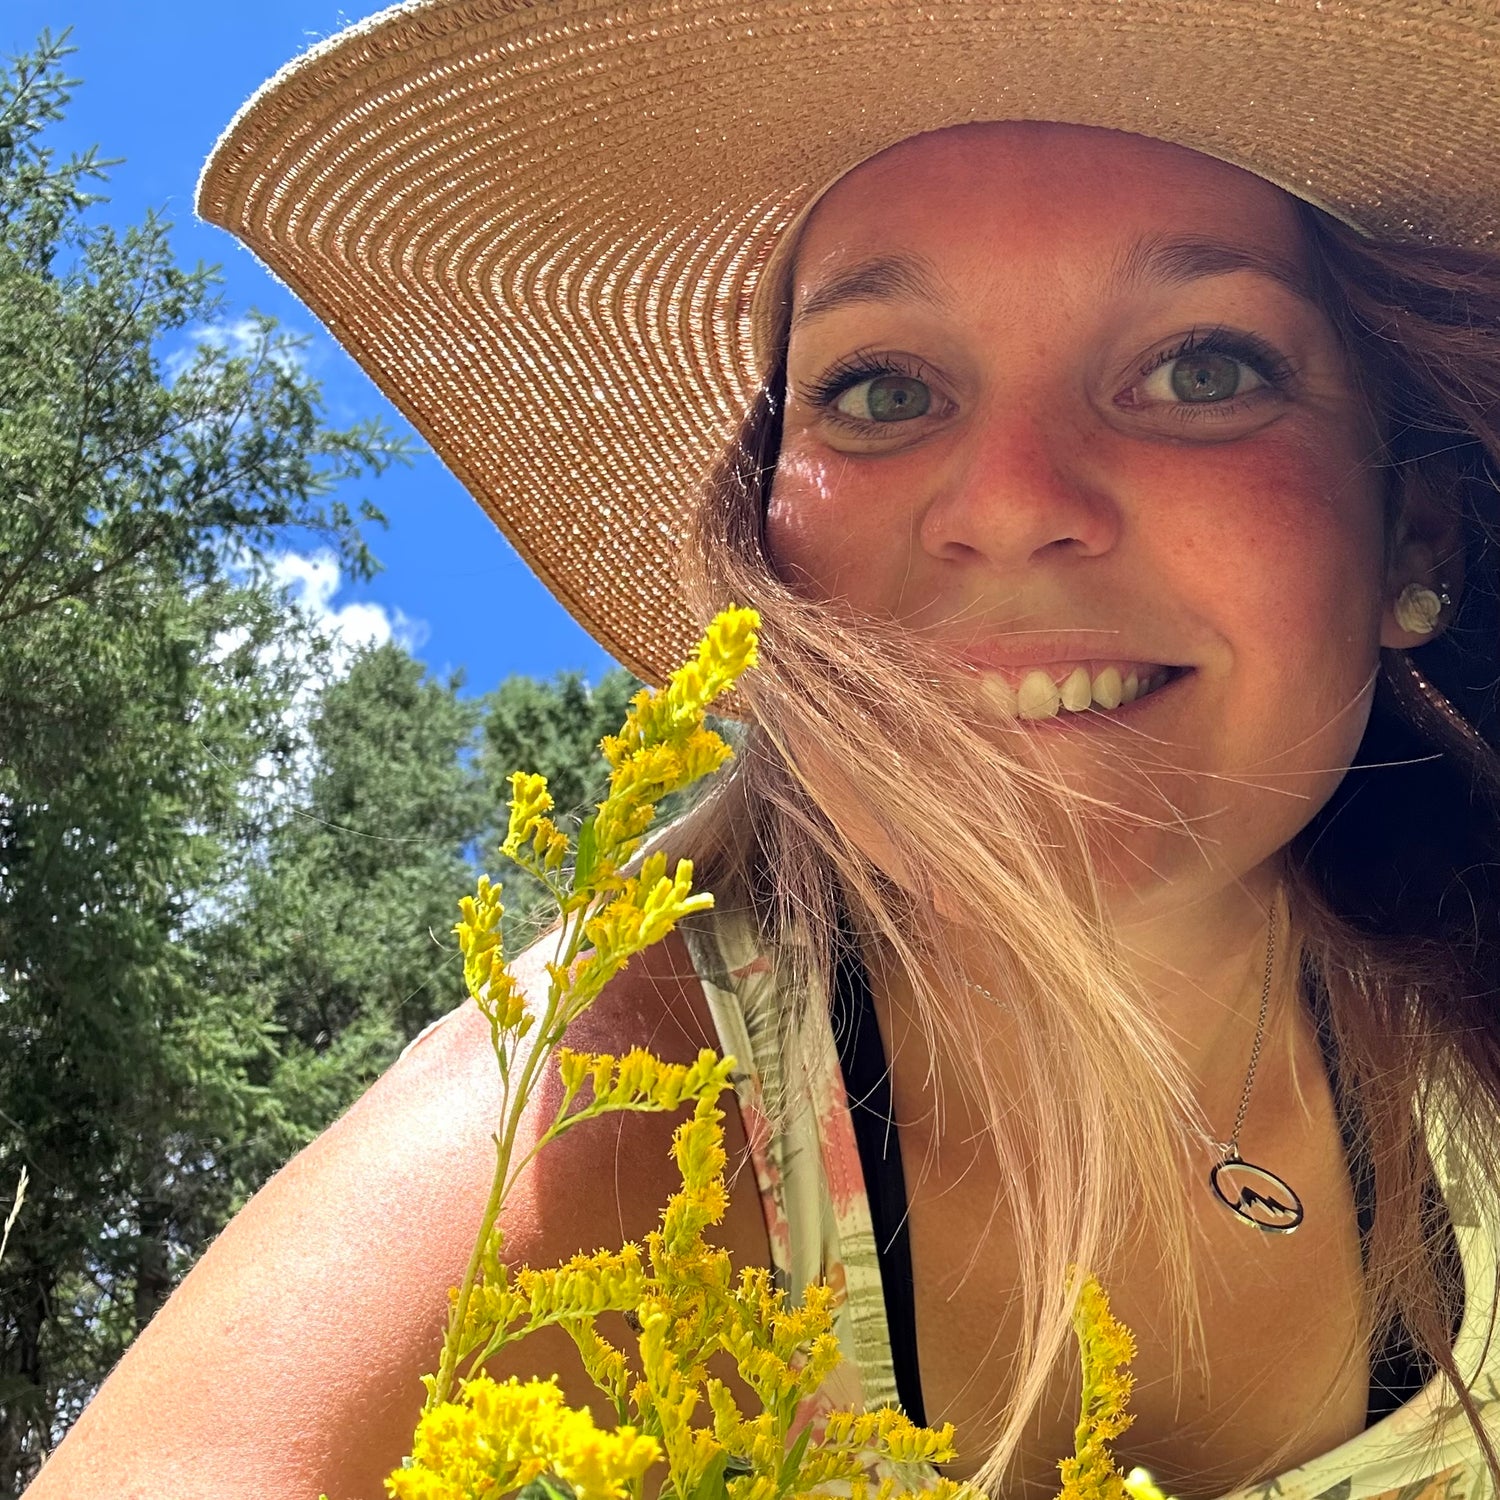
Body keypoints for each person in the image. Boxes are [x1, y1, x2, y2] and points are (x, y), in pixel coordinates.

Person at [26, 2, 1500, 1498]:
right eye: (881, 390)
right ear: (770, 542)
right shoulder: (610, 1106)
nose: (1006, 501)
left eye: (1201, 369)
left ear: (1413, 528)